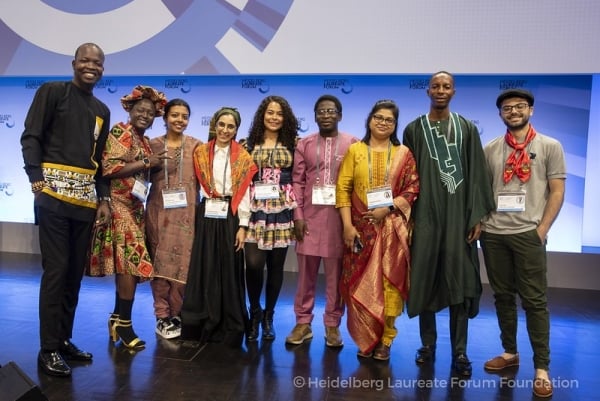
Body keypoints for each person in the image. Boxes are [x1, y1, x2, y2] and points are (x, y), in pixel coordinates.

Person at [20, 43, 111, 377]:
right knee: (57, 271)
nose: (91, 66)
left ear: (103, 68)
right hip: (53, 196)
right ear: (74, 63)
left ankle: (63, 339)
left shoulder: (102, 109)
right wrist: (36, 179)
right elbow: (31, 136)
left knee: (73, 273)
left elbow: (99, 161)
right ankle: (48, 349)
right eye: (85, 60)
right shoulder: (53, 92)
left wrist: (103, 198)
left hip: (85, 201)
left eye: (97, 62)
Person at [403, 71, 495, 376]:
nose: (441, 90)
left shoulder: (467, 128)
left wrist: (476, 217)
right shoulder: (414, 129)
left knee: (460, 283)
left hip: (458, 219)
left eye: (446, 86)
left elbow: (478, 174)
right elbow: (407, 177)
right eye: (436, 86)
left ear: (453, 92)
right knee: (426, 278)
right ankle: (427, 344)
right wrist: (409, 217)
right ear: (427, 90)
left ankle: (460, 351)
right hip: (426, 218)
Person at [480, 89, 566, 398]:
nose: (513, 111)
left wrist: (542, 229)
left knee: (534, 301)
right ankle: (510, 352)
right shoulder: (490, 149)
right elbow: (482, 192)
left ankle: (542, 368)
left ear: (530, 110)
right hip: (494, 235)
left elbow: (556, 190)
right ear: (500, 114)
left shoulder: (549, 146)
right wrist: (481, 224)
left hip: (528, 235)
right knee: (502, 297)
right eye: (507, 108)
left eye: (519, 107)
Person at [336, 100, 419, 360]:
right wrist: (348, 226)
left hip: (392, 229)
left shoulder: (403, 153)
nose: (383, 123)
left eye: (389, 120)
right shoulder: (355, 151)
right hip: (360, 229)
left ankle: (386, 340)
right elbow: (343, 189)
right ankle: (366, 337)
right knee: (360, 283)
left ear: (395, 125)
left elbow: (413, 187)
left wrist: (390, 207)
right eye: (378, 117)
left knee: (389, 284)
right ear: (369, 120)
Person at [88, 85, 168, 350]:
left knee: (126, 266)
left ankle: (115, 317)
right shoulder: (121, 131)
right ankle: (124, 323)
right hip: (118, 206)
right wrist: (147, 163)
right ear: (130, 111)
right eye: (140, 110)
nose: (145, 115)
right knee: (131, 264)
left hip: (136, 207)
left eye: (150, 112)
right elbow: (109, 168)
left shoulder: (144, 140)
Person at [180, 107, 258, 347]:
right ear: (214, 125)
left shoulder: (243, 156)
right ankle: (197, 323)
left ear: (236, 129)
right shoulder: (201, 152)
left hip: (230, 214)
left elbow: (243, 194)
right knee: (203, 267)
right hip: (206, 212)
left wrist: (243, 225)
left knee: (228, 268)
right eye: (221, 125)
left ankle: (230, 326)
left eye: (231, 126)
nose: (225, 130)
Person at [286, 95, 358, 347]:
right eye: (321, 111)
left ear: (339, 115)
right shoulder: (304, 144)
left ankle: (332, 325)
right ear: (315, 116)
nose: (326, 115)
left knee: (335, 278)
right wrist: (298, 216)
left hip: (339, 221)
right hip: (309, 220)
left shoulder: (352, 143)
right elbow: (297, 181)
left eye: (331, 111)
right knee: (305, 276)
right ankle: (303, 323)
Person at [244, 95, 299, 342]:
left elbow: (300, 177)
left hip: (282, 209)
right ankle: (254, 311)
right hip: (255, 208)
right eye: (270, 112)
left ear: (285, 118)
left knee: (276, 266)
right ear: (262, 116)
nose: (274, 117)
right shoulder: (248, 143)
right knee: (254, 264)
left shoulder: (294, 144)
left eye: (279, 113)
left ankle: (269, 316)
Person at [145, 99, 201, 340]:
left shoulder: (198, 147)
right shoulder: (152, 145)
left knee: (183, 266)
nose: (180, 120)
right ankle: (162, 316)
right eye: (175, 115)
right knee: (160, 267)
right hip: (159, 214)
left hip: (188, 215)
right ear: (165, 117)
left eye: (184, 116)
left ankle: (178, 313)